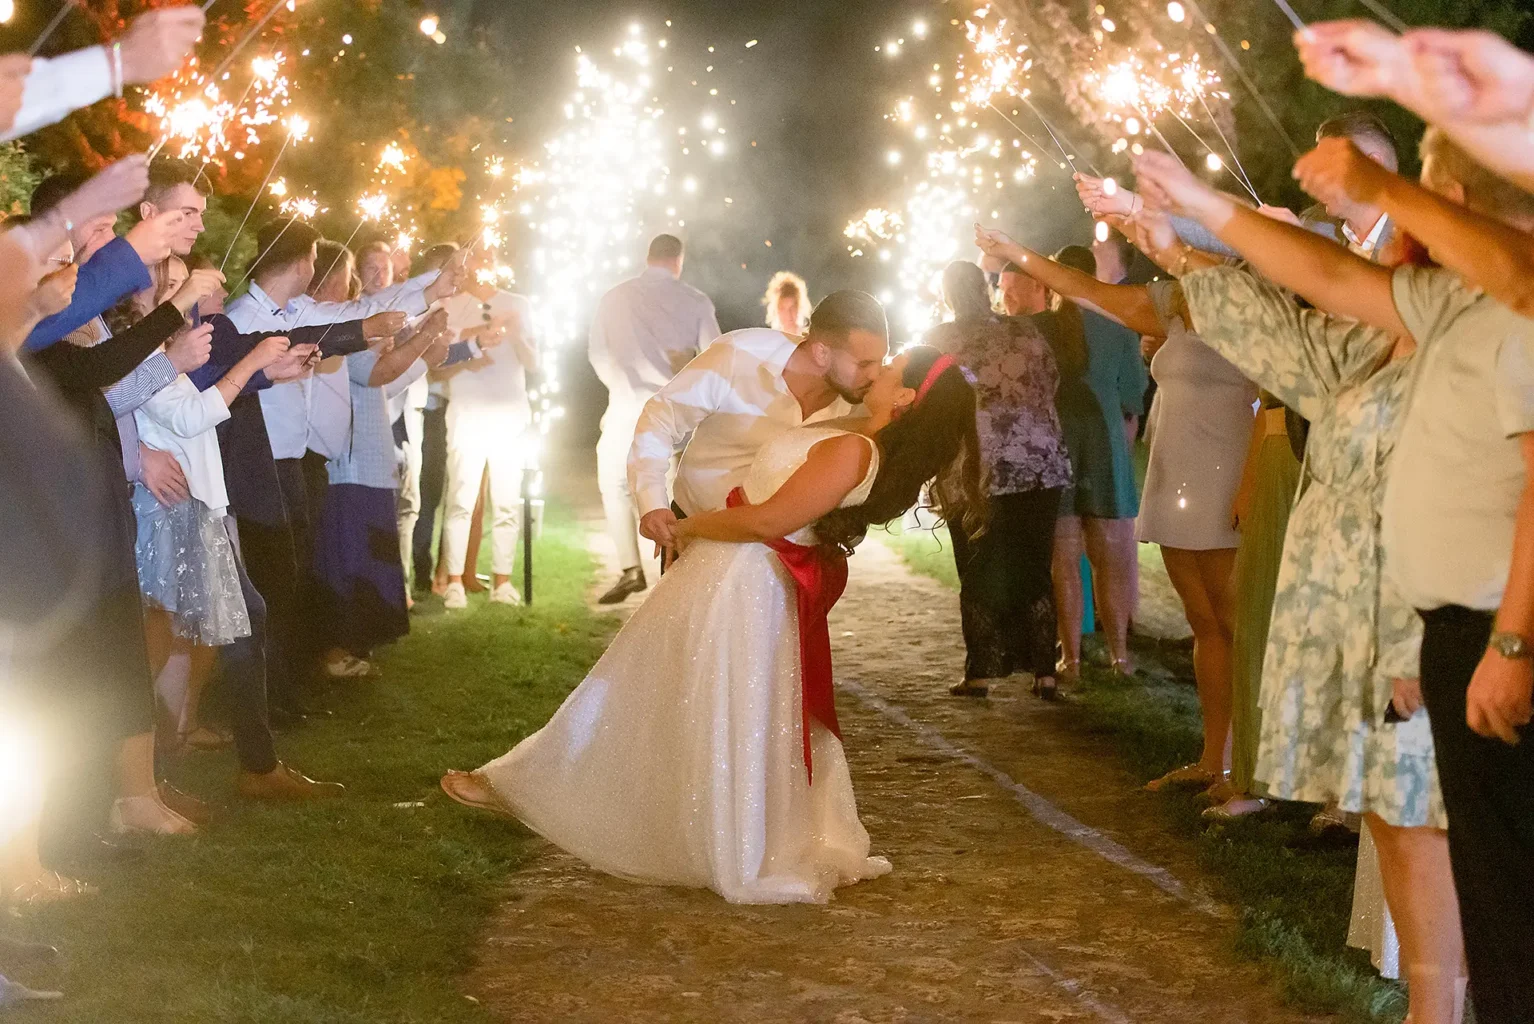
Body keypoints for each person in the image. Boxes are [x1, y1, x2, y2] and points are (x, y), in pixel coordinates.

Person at [1130, 126, 1532, 1024]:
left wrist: (1506, 639)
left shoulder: (1518, 305)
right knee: (1460, 862)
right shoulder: (1448, 301)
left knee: (1495, 874)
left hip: (1478, 625)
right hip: (1439, 620)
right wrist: (1198, 213)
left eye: (1418, 191)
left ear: (1455, 206)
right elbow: (1332, 284)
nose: (1398, 212)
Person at [440, 346, 983, 904]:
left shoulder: (854, 450)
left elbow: (771, 518)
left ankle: (550, 791)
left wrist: (688, 525)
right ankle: (542, 785)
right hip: (724, 569)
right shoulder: (847, 427)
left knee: (676, 692)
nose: (876, 366)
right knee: (646, 683)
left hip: (746, 580)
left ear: (906, 396)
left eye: (887, 367)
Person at [975, 226, 1256, 794]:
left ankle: (1250, 769)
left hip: (1229, 475)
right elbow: (1086, 292)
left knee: (1238, 624)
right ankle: (1213, 759)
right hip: (1177, 472)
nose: (1181, 257)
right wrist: (1017, 252)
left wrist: (1252, 480)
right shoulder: (1176, 307)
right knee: (1203, 623)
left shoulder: (1255, 308)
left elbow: (1272, 396)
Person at [630, 289, 890, 567]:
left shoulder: (866, 401)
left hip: (787, 562)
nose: (876, 374)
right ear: (822, 352)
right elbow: (661, 416)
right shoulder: (741, 355)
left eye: (881, 360)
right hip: (692, 536)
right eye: (864, 363)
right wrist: (652, 503)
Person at [927, 261, 1071, 699]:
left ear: (949, 295)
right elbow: (1052, 382)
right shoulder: (1025, 333)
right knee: (1034, 566)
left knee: (976, 568)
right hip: (1039, 464)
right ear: (985, 288)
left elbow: (930, 406)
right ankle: (1045, 671)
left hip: (976, 472)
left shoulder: (941, 341)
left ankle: (980, 673)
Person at [587, 234, 721, 603]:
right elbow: (716, 356)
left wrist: (621, 384)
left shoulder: (614, 297)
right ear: (678, 261)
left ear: (648, 258)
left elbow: (597, 352)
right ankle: (680, 566)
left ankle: (631, 567)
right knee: (679, 489)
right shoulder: (694, 300)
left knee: (615, 483)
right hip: (677, 407)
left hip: (627, 405)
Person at [1047, 245, 1148, 679]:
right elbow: (1133, 393)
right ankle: (1119, 656)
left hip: (1057, 442)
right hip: (1104, 442)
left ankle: (1069, 659)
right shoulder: (1118, 325)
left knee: (1064, 559)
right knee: (1110, 558)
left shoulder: (1046, 328)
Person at [438, 248, 540, 610]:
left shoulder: (518, 303)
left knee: (508, 500)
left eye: (489, 257)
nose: (483, 264)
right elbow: (437, 362)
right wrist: (471, 344)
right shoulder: (450, 305)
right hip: (466, 411)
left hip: (510, 414)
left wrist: (516, 335)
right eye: (475, 258)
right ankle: (453, 582)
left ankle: (503, 581)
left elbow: (534, 361)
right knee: (461, 499)